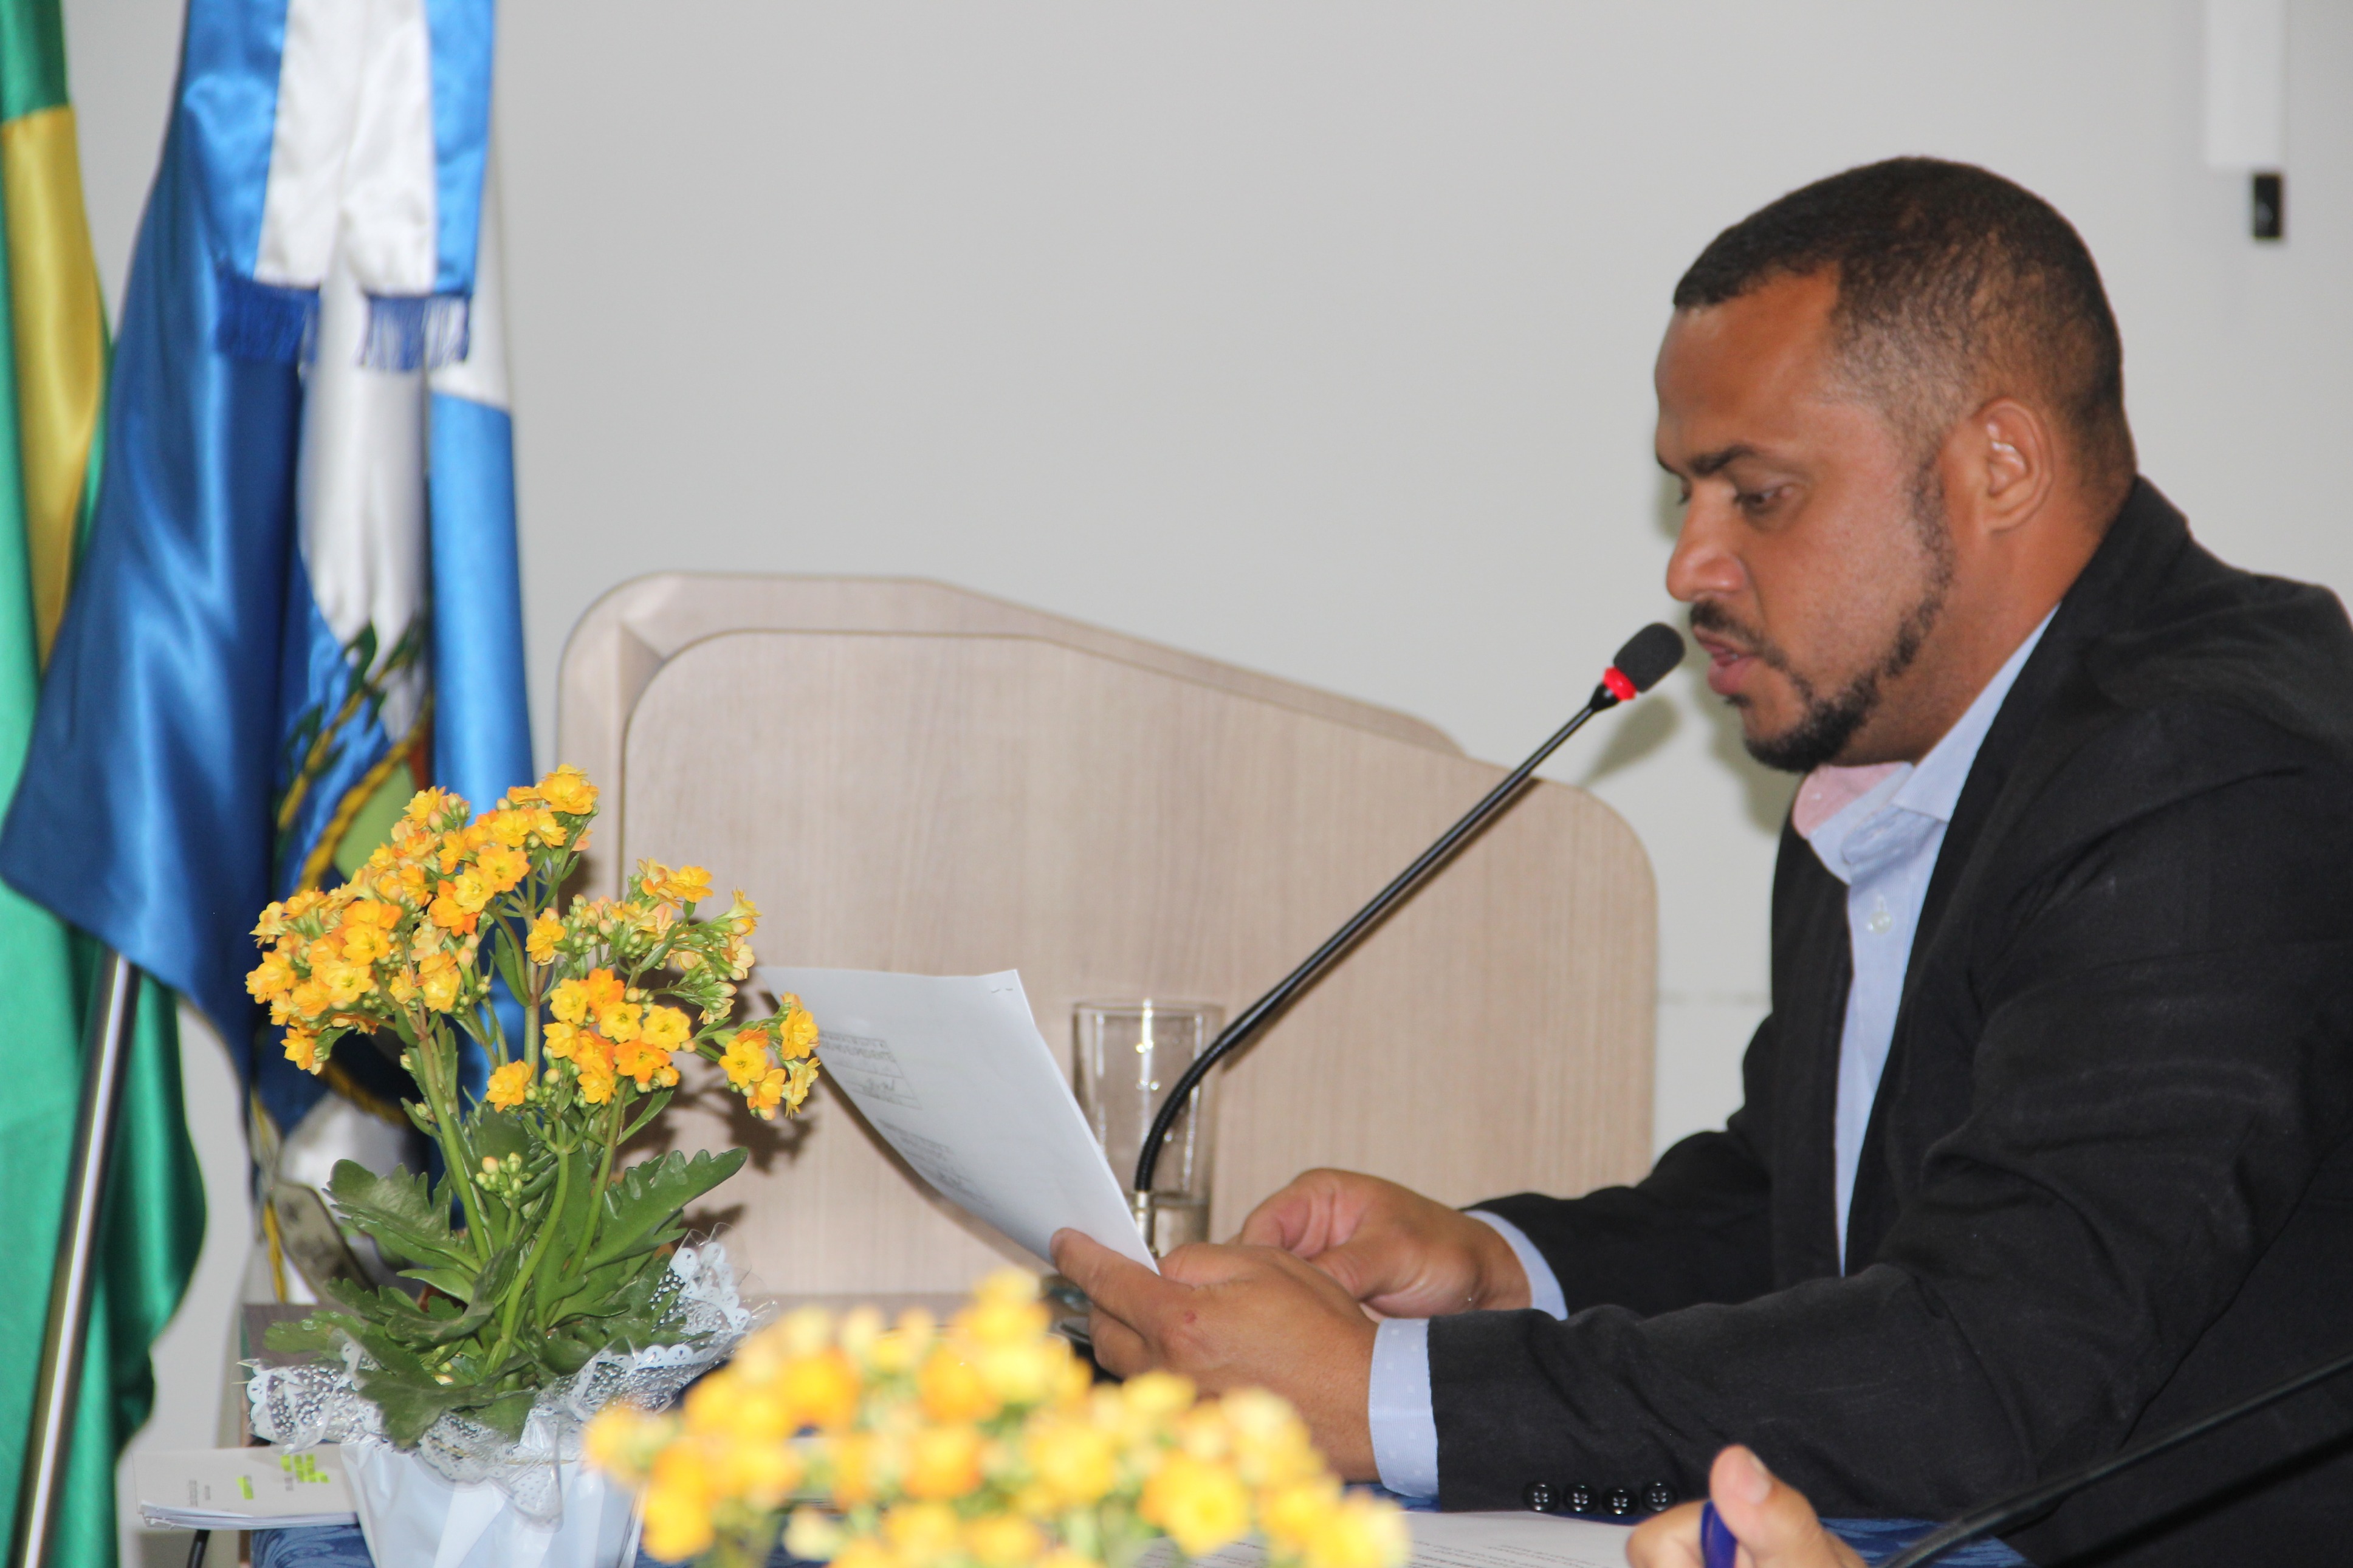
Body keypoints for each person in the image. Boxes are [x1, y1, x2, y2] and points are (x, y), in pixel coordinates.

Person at [1053, 157, 2353, 1567]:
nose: (1689, 566)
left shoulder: (2211, 774)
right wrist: (1497, 1268)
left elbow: (1990, 1365)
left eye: (1759, 495)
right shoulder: (1899, 744)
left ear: (2000, 465)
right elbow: (1807, 1213)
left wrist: (1385, 1397)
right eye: (1686, 493)